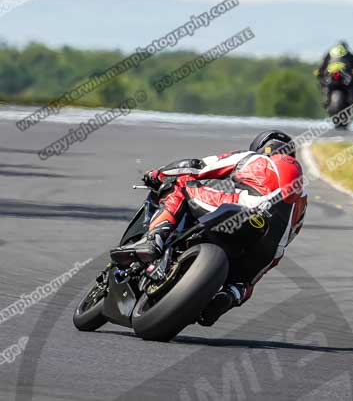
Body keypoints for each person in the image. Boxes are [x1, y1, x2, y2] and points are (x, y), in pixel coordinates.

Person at [111, 130, 308, 326]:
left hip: (246, 210)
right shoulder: (303, 195)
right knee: (244, 281)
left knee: (180, 183)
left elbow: (196, 167)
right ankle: (231, 295)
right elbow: (293, 232)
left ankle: (154, 240)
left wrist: (157, 174)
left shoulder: (254, 158)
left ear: (261, 147)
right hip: (271, 244)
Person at [315, 40, 353, 108]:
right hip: (343, 78)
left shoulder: (330, 53)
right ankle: (352, 98)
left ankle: (326, 98)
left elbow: (322, 67)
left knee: (325, 82)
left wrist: (320, 73)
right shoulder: (349, 54)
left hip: (333, 78)